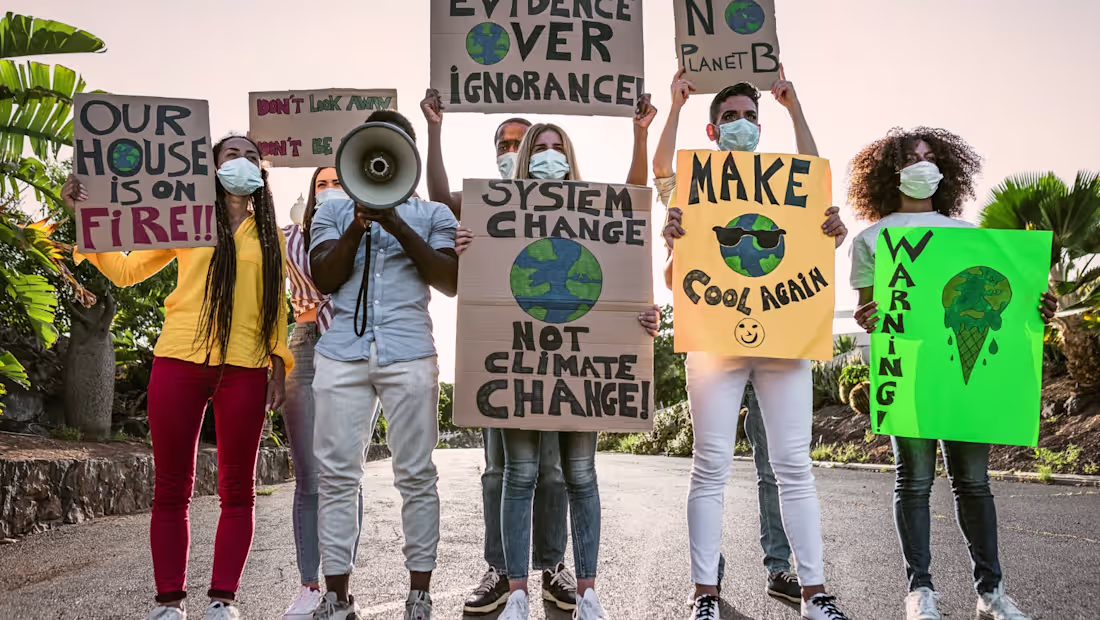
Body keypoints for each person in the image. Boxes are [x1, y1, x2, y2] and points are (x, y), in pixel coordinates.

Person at [62, 134, 292, 620]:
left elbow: (277, 306)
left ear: (262, 172)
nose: (244, 163)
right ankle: (169, 604)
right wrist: (83, 214)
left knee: (238, 488)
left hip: (246, 367)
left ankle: (223, 601)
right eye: (233, 154)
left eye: (252, 157)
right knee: (171, 486)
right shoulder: (185, 219)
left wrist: (279, 365)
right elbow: (125, 272)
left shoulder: (271, 236)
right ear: (209, 166)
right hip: (179, 358)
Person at [652, 66, 852, 620]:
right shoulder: (693, 187)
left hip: (784, 334)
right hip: (715, 339)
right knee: (709, 463)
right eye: (730, 118)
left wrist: (793, 108)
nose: (743, 124)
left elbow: (813, 175)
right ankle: (704, 595)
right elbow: (662, 179)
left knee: (793, 464)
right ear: (712, 131)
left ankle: (815, 593)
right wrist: (674, 107)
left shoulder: (786, 179)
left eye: (749, 117)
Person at [848, 127, 1057, 620]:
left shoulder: (969, 236)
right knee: (912, 482)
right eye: (911, 158)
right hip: (911, 373)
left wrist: (1039, 307)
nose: (923, 165)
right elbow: (870, 313)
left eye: (930, 157)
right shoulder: (871, 240)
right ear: (889, 173)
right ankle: (920, 591)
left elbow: (1009, 299)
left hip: (969, 379)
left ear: (946, 171)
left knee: (974, 483)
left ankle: (992, 593)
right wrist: (869, 317)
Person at [485, 97, 660, 620]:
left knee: (580, 474)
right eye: (538, 148)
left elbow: (631, 207)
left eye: (556, 148)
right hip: (524, 361)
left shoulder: (592, 206)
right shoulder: (497, 211)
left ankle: (586, 592)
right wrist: (468, 241)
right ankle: (517, 591)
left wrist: (638, 314)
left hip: (579, 366)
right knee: (519, 476)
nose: (547, 156)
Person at [420, 88, 576, 616]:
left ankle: (553, 564)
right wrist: (435, 128)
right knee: (498, 471)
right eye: (504, 143)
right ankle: (501, 568)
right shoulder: (481, 201)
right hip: (501, 355)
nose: (514, 150)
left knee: (551, 470)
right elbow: (439, 195)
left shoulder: (575, 202)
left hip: (556, 355)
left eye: (521, 142)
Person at [307, 110, 458, 620]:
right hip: (340, 354)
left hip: (410, 352)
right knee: (336, 477)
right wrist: (357, 223)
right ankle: (336, 594)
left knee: (416, 472)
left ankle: (419, 592)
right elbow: (325, 276)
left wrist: (393, 218)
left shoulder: (435, 215)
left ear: (408, 158)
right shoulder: (331, 210)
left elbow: (449, 279)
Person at [279, 168, 376, 620]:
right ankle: (309, 585)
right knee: (309, 477)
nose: (330, 189)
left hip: (353, 344)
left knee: (346, 471)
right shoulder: (287, 237)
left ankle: (341, 585)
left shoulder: (370, 230)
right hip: (305, 341)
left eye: (339, 181)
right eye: (321, 183)